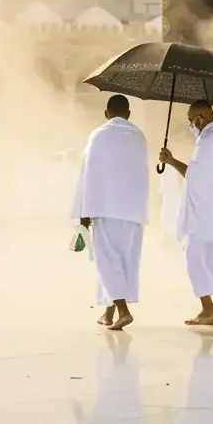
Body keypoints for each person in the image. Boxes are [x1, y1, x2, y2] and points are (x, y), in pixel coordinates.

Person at [159, 100, 213, 327]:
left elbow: (194, 175)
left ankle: (207, 308)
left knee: (195, 258)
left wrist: (171, 160)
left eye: (190, 119)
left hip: (204, 214)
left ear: (200, 118)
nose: (190, 124)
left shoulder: (207, 142)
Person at [71, 94, 150, 330]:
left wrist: (84, 216)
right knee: (123, 262)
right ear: (128, 114)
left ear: (107, 113)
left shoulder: (99, 136)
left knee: (107, 263)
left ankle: (123, 311)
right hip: (134, 211)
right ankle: (108, 312)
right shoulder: (139, 137)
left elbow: (88, 175)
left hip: (106, 209)